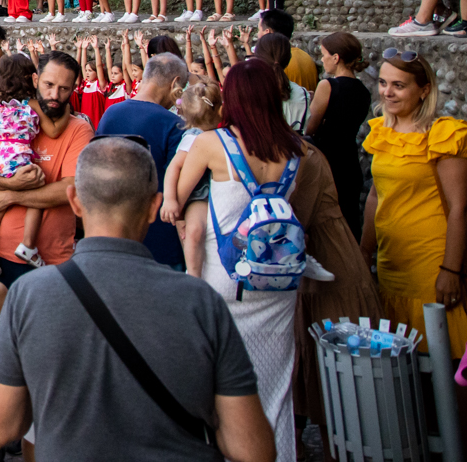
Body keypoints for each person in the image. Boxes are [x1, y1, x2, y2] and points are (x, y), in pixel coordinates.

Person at [0, 137, 275, 462]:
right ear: (153, 206)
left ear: (74, 201)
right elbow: (253, 450)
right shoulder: (202, 302)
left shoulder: (28, 296)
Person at [168, 58, 313, 460]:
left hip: (225, 276)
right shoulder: (295, 148)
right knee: (276, 387)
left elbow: (178, 200)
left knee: (226, 389)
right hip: (278, 282)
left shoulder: (213, 144)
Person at [361, 50, 467, 355]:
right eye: (383, 83)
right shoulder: (382, 130)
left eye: (398, 85)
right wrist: (364, 250)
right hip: (391, 264)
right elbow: (376, 194)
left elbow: (459, 207)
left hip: (431, 265)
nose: (387, 92)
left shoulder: (442, 134)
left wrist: (451, 270)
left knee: (446, 362)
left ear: (424, 90)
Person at [0, 52, 93, 286]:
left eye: (64, 89)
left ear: (75, 88)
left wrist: (10, 196)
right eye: (49, 85)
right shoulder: (9, 117)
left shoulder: (79, 129)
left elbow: (71, 188)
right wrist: (11, 184)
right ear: (35, 80)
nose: (55, 95)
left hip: (52, 258)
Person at [94, 52, 187, 267]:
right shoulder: (174, 125)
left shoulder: (111, 113)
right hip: (160, 239)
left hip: (111, 234)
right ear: (174, 83)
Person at [306, 32, 369, 237]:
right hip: (349, 158)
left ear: (336, 57)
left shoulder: (328, 86)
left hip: (328, 157)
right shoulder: (362, 90)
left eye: (324, 54)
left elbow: (310, 128)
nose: (322, 59)